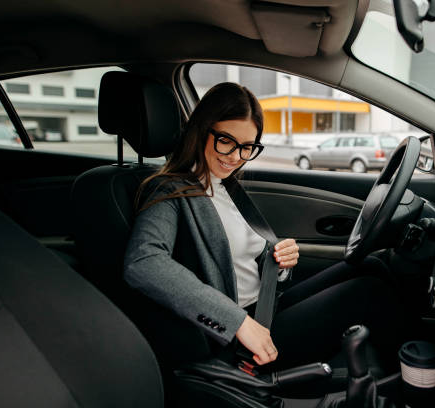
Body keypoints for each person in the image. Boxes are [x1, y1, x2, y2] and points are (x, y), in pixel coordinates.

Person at [124, 82, 407, 371]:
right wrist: (237, 322)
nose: (235, 156)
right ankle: (413, 380)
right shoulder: (169, 191)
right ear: (200, 130)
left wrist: (280, 263)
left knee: (372, 265)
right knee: (368, 292)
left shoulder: (225, 186)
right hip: (240, 336)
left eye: (247, 147)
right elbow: (143, 263)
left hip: (267, 306)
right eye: (226, 140)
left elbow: (244, 262)